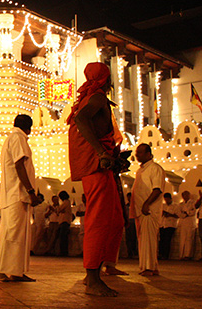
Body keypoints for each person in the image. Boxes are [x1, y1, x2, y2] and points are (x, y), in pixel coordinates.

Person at [67, 62, 124, 297]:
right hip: (96, 166)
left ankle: (99, 269)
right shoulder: (97, 97)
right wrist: (101, 152)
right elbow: (81, 120)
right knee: (99, 220)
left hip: (99, 166)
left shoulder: (89, 96)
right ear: (105, 79)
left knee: (114, 218)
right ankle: (92, 278)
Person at [0, 114, 42, 282]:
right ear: (28, 128)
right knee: (13, 234)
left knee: (16, 234)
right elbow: (19, 165)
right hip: (17, 194)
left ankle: (15, 271)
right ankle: (2, 270)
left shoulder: (12, 138)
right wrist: (30, 190)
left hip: (14, 195)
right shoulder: (18, 138)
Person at [130, 143, 165, 276]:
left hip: (149, 210)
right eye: (137, 153)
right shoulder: (141, 170)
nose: (137, 155)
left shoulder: (155, 169)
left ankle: (149, 268)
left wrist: (146, 204)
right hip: (140, 210)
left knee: (149, 239)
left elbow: (157, 189)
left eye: (140, 153)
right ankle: (149, 266)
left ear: (148, 154)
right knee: (143, 239)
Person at [177, 191, 197, 260]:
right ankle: (181, 255)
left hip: (190, 221)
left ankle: (188, 255)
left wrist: (187, 213)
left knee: (189, 238)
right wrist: (184, 214)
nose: (185, 196)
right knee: (182, 238)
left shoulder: (193, 203)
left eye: (186, 194)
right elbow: (179, 213)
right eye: (184, 195)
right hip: (183, 222)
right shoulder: (181, 204)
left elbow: (193, 211)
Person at [159, 193, 179, 260]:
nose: (166, 200)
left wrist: (170, 215)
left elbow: (178, 215)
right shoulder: (163, 206)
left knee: (167, 240)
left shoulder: (175, 206)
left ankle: (166, 255)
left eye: (167, 199)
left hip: (170, 225)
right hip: (162, 224)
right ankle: (161, 254)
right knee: (161, 240)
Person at [57, 190, 73, 257]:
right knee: (63, 237)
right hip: (64, 221)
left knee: (63, 237)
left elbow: (59, 210)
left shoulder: (66, 202)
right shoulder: (67, 203)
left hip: (64, 221)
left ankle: (63, 252)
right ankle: (63, 251)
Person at [125, 192, 138, 258]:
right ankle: (129, 253)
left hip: (134, 222)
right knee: (128, 238)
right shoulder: (126, 206)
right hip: (128, 223)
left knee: (133, 238)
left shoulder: (135, 206)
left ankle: (134, 252)